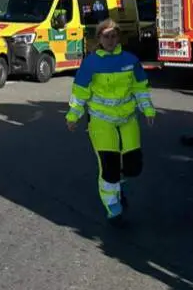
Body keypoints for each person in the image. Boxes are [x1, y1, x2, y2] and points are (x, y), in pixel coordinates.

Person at [65, 17, 156, 224]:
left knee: (134, 167)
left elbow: (140, 88)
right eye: (106, 36)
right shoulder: (91, 63)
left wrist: (148, 110)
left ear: (119, 38)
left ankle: (118, 185)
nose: (110, 40)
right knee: (109, 167)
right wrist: (73, 116)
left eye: (114, 36)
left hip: (128, 119)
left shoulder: (130, 60)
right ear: (99, 38)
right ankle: (113, 206)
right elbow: (80, 92)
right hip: (101, 121)